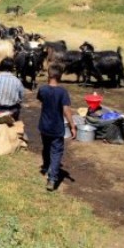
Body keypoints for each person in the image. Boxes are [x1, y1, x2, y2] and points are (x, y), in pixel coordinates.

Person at [37, 63, 76, 191]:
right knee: (56, 152)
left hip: (44, 126)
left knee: (46, 147)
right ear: (60, 76)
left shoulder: (42, 89)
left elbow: (41, 100)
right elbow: (66, 110)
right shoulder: (62, 92)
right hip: (56, 127)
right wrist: (72, 125)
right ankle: (52, 179)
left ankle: (46, 167)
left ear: (49, 75)